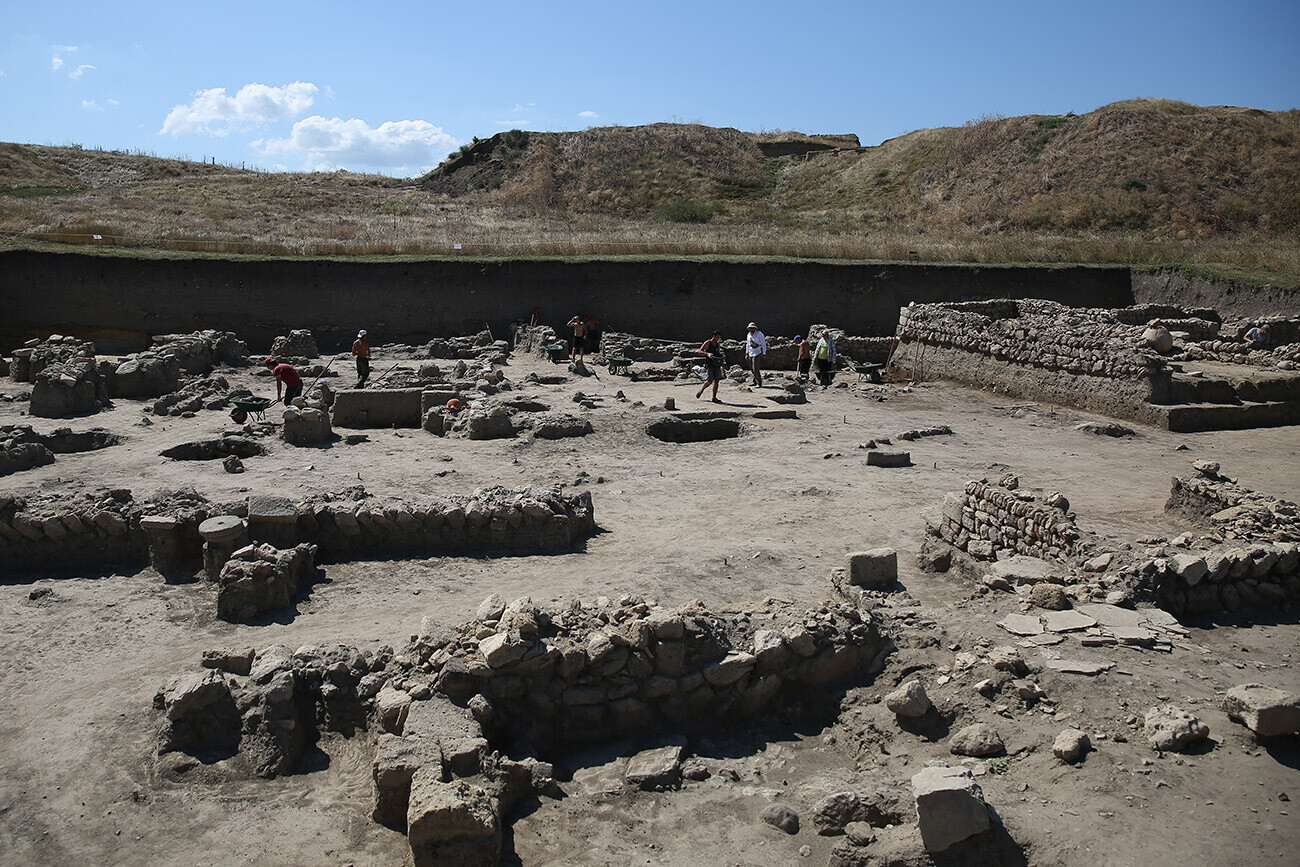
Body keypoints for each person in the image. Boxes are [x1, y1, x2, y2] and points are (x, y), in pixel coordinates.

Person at [696, 330, 725, 402]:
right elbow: (699, 351)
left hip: (716, 364)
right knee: (709, 381)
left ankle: (714, 397)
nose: (718, 339)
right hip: (710, 364)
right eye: (717, 337)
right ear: (714, 336)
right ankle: (702, 389)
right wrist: (707, 354)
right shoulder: (708, 343)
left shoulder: (718, 345)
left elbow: (718, 353)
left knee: (717, 381)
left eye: (719, 338)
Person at [745, 322, 768, 387]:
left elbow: (763, 343)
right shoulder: (748, 335)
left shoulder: (759, 334)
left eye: (752, 328)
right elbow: (748, 344)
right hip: (751, 352)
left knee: (755, 368)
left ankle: (759, 383)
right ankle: (754, 381)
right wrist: (747, 353)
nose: (751, 329)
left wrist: (764, 352)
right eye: (750, 328)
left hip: (757, 352)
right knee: (752, 369)